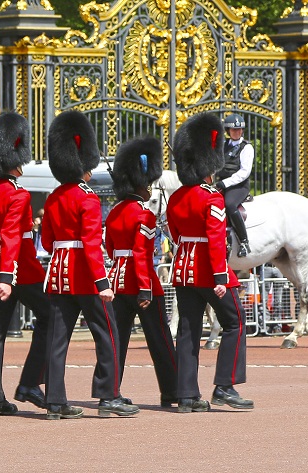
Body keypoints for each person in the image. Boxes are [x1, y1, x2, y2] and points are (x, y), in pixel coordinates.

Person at [41, 110, 137, 419]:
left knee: (57, 340)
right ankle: (108, 395)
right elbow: (91, 244)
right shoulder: (88, 198)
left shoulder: (53, 197)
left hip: (58, 273)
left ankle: (55, 402)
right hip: (85, 275)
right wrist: (103, 282)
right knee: (107, 333)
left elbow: (45, 242)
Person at [167, 112, 252, 413]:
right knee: (236, 321)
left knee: (188, 330)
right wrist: (219, 277)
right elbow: (215, 240)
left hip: (182, 270)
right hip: (208, 270)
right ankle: (225, 386)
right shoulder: (212, 199)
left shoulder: (176, 198)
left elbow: (175, 235)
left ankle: (187, 394)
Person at [0, 112, 50, 416]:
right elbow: (11, 235)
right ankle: (30, 382)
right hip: (19, 267)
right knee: (50, 317)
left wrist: (1, 273)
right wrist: (9, 275)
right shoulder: (18, 194)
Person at [105, 136, 178, 408]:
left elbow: (111, 249)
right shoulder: (144, 214)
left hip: (118, 282)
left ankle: (110, 392)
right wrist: (145, 287)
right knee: (160, 340)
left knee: (117, 342)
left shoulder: (114, 212)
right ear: (142, 185)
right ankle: (172, 390)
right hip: (142, 283)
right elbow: (141, 254)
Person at [214, 113, 254, 257]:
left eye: (239, 130)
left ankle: (244, 241)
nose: (237, 132)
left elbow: (244, 172)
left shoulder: (247, 148)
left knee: (229, 204)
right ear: (228, 131)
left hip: (238, 186)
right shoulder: (223, 146)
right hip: (221, 183)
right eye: (233, 130)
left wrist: (224, 183)